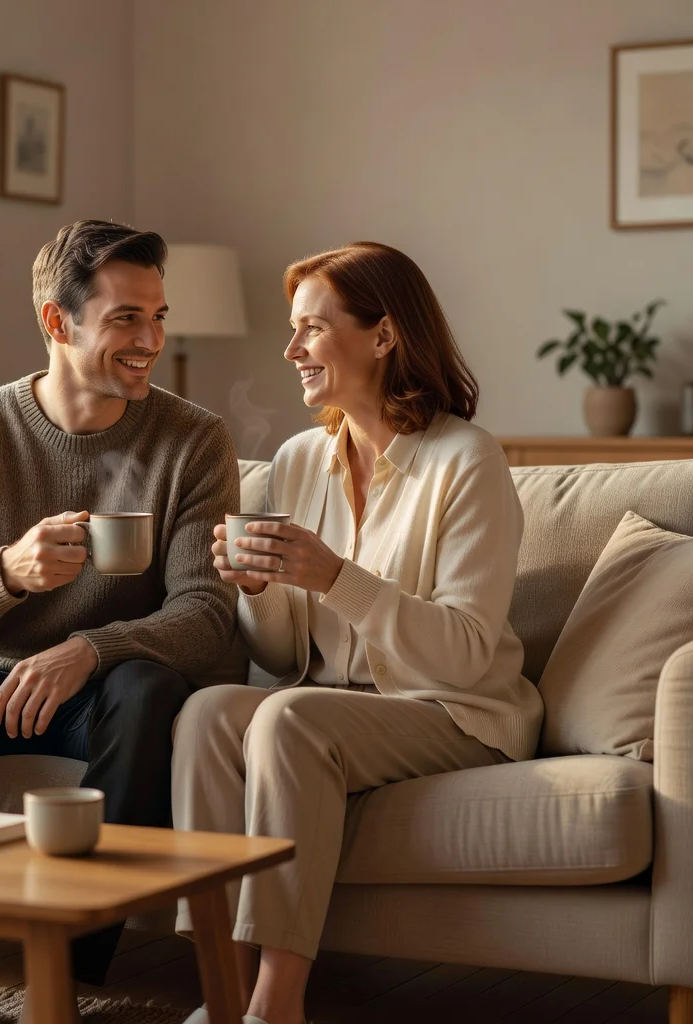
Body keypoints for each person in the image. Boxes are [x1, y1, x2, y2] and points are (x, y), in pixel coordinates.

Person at [0, 220, 240, 1024]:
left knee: (148, 687)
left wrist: (90, 649)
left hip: (105, 697)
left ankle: (63, 975)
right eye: (126, 317)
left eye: (158, 316)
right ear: (58, 322)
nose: (150, 339)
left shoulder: (193, 440)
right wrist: (8, 573)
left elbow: (205, 613)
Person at [173, 242, 543, 1024]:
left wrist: (336, 577)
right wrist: (256, 588)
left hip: (455, 710)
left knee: (290, 716)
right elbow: (283, 657)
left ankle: (277, 1004)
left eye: (312, 327)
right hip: (334, 707)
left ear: (383, 337)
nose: (291, 349)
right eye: (292, 329)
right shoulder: (301, 458)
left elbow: (470, 654)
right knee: (210, 711)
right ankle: (221, 988)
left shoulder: (466, 460)